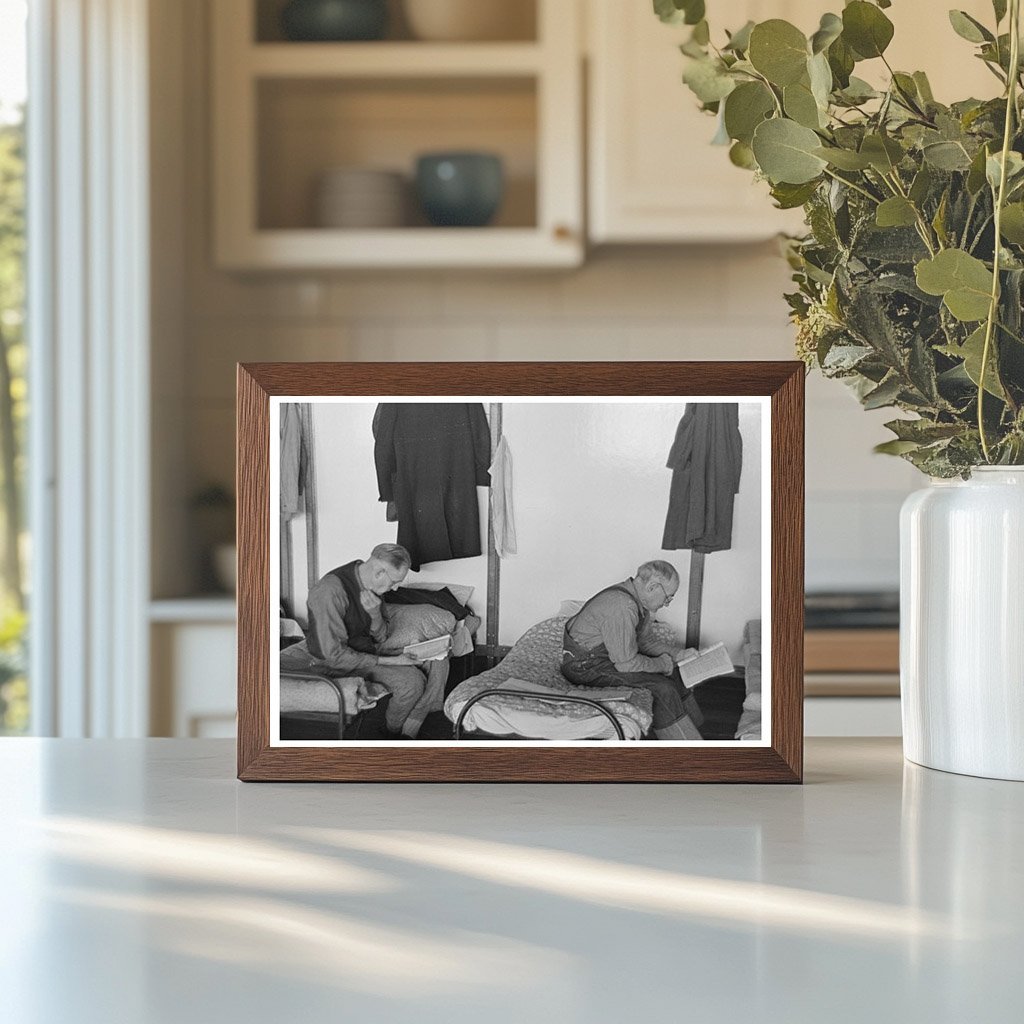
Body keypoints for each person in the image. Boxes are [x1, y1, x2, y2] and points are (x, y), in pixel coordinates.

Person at [280, 543, 446, 738]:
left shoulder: (372, 586)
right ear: (379, 573)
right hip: (328, 659)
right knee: (412, 683)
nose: (395, 588)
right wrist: (393, 661)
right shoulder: (329, 591)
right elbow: (332, 656)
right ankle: (389, 733)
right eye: (394, 582)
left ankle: (397, 731)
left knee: (439, 662)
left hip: (363, 650)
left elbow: (381, 636)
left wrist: (375, 614)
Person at [560, 560, 704, 740]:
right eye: (668, 597)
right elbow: (626, 664)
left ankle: (695, 732)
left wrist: (678, 655)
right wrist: (662, 664)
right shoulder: (622, 606)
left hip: (607, 658)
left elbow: (645, 642)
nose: (667, 604)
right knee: (662, 688)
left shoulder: (635, 599)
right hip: (585, 667)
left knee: (676, 671)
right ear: (652, 587)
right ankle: (686, 746)